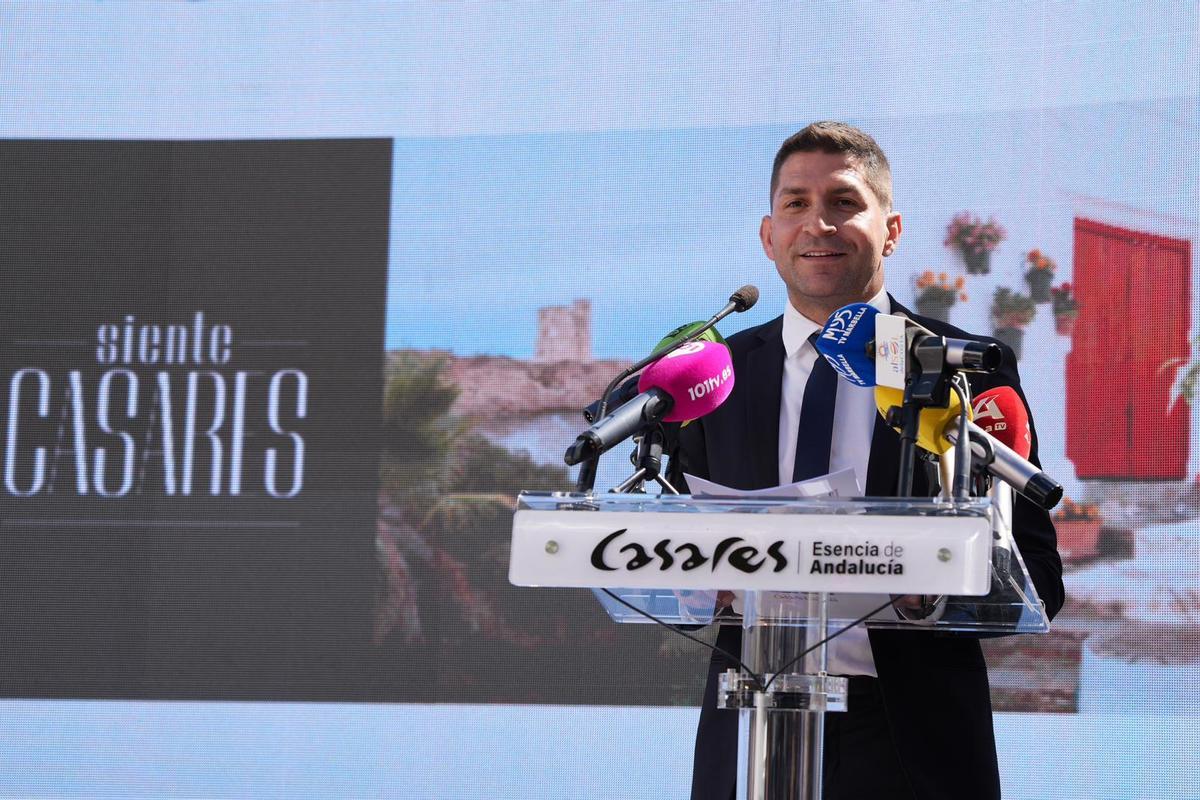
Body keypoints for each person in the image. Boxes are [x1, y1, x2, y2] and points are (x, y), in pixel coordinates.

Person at [671, 122, 1064, 800]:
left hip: (910, 741)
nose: (818, 224)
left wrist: (935, 589)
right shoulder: (715, 375)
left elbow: (1037, 577)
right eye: (796, 203)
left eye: (845, 202)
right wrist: (703, 580)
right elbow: (671, 567)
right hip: (748, 730)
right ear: (769, 235)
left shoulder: (965, 369)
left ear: (891, 230)